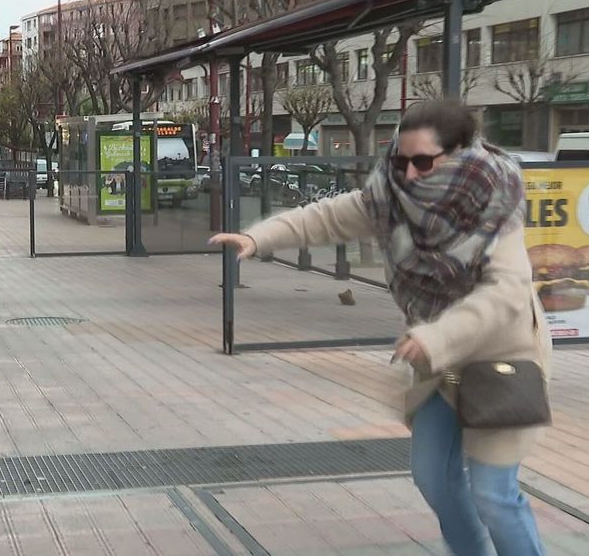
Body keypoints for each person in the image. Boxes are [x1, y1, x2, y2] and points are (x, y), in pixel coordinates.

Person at [210, 100, 550, 556]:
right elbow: (327, 217)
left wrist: (434, 336)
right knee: (432, 477)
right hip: (438, 366)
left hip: (499, 359)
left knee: (493, 494)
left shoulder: (493, 207)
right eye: (401, 160)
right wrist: (259, 237)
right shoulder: (391, 197)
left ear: (459, 155)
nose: (408, 173)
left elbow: (506, 294)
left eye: (423, 162)